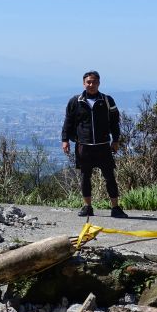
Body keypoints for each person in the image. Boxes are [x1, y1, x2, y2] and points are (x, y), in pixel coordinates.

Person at [61, 71, 128, 218]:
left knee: (110, 177)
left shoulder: (107, 100)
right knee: (85, 177)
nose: (91, 85)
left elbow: (115, 122)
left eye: (94, 82)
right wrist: (65, 140)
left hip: (103, 146)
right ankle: (87, 206)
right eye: (88, 82)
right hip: (83, 146)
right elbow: (68, 121)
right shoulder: (75, 101)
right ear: (84, 83)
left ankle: (115, 207)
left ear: (99, 83)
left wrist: (115, 140)